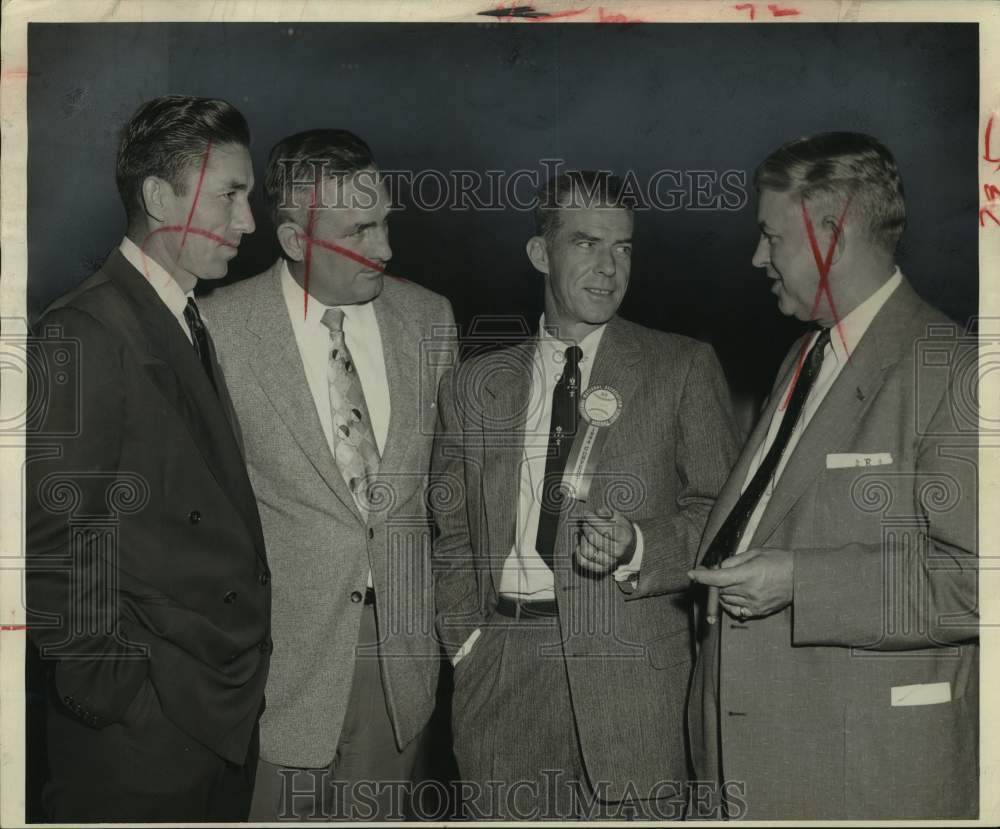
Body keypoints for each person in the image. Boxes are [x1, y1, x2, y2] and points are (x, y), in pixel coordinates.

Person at [687, 132, 978, 819]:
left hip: (860, 777)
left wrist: (800, 580)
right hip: (757, 764)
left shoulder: (952, 368)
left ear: (832, 237)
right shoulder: (804, 355)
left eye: (771, 237)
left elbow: (978, 583)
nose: (757, 257)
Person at [431, 170, 739, 820]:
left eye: (622, 247)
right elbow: (452, 531)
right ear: (540, 253)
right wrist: (468, 644)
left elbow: (723, 517)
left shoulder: (682, 366)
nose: (608, 267)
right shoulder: (473, 384)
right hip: (503, 675)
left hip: (635, 682)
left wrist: (641, 545)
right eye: (586, 243)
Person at [25, 95, 269, 821]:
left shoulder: (179, 313)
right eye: (229, 195)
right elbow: (47, 542)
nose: (248, 222)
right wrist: (119, 696)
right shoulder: (85, 328)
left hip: (209, 714)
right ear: (160, 199)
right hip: (143, 738)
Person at [202, 129, 457, 821]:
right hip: (273, 673)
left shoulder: (430, 319)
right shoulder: (218, 329)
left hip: (398, 669)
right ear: (294, 239)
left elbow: (451, 494)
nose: (386, 249)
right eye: (359, 231)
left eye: (385, 223)